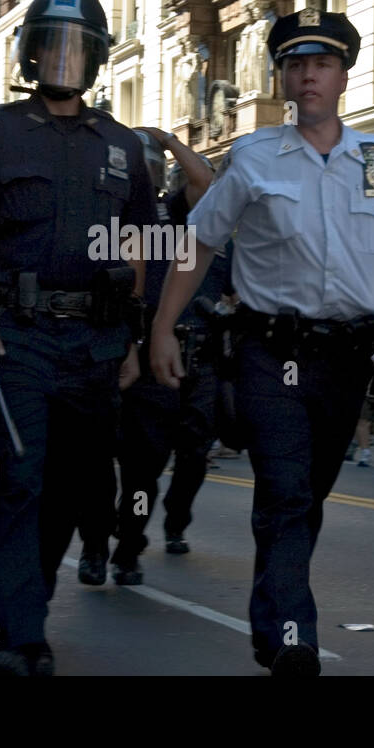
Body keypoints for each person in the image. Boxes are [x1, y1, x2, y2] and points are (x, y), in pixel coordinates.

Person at [151, 8, 374, 675]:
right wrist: (163, 327)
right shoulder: (255, 157)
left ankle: (278, 611)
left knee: (308, 494)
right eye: (295, 65)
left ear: (343, 74)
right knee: (287, 489)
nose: (308, 75)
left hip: (351, 361)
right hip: (270, 352)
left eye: (320, 63)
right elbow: (199, 244)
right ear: (284, 81)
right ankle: (293, 634)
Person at [0, 0, 157, 676]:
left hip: (96, 342)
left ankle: (25, 611)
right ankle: (18, 634)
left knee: (75, 487)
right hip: (12, 335)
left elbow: (141, 244)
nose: (63, 58)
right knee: (17, 478)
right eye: (51, 44)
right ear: (30, 54)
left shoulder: (122, 145)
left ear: (95, 60)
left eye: (77, 47)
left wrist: (134, 341)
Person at [112, 128, 224, 584]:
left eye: (153, 163)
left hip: (196, 350)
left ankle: (177, 520)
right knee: (144, 464)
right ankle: (127, 546)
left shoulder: (172, 213)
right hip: (144, 350)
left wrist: (169, 140)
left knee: (195, 451)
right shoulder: (112, 214)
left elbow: (206, 185)